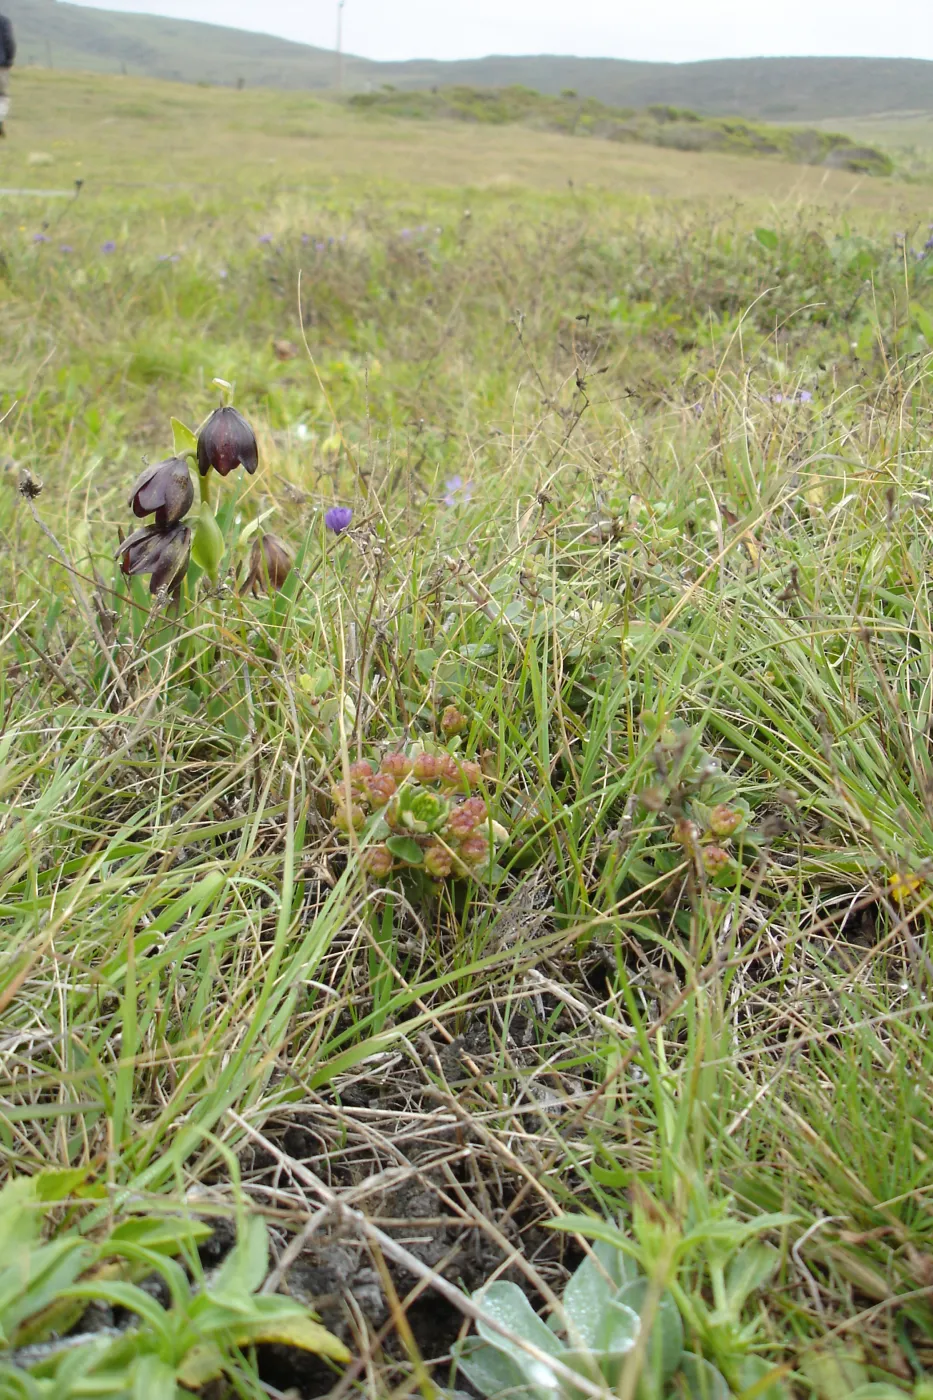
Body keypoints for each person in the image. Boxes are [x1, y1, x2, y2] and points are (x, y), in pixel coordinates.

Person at [0, 12, 15, 138]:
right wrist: (9, 60)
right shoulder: (3, 21)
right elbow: (9, 41)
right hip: (1, 65)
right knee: (2, 96)